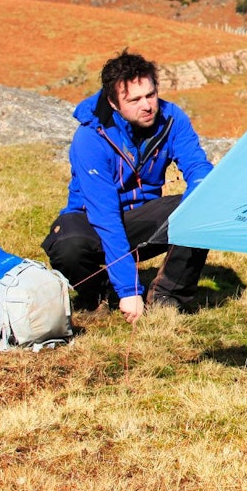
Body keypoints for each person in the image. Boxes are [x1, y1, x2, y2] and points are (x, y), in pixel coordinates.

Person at [42, 51, 212, 322]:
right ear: (113, 102)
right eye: (134, 100)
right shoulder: (90, 138)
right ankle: (99, 294)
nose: (147, 105)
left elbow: (198, 168)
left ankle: (167, 297)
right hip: (93, 223)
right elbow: (105, 217)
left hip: (141, 221)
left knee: (204, 201)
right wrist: (129, 289)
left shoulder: (172, 119)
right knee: (67, 245)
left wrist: (197, 207)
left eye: (151, 95)